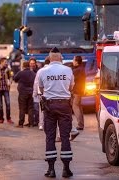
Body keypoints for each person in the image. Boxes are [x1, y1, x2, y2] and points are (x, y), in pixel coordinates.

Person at [38, 47, 74, 178]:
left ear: (49, 58)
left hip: (49, 106)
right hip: (65, 105)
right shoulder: (68, 70)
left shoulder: (42, 71)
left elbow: (41, 89)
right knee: (65, 136)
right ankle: (66, 169)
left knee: (50, 137)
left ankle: (51, 169)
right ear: (60, 57)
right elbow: (71, 87)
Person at [13, 61, 36, 128]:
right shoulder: (33, 73)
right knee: (30, 108)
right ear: (29, 66)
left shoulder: (21, 73)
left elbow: (15, 79)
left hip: (22, 92)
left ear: (23, 66)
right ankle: (31, 123)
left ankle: (21, 123)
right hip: (31, 92)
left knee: (22, 108)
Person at [33, 57, 50, 130]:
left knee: (42, 109)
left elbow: (36, 83)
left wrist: (35, 93)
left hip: (41, 93)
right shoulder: (52, 70)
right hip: (50, 93)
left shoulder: (40, 71)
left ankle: (41, 124)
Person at [0, 58, 13, 124]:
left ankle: (8, 118)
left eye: (6, 62)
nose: (6, 63)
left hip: (6, 89)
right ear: (1, 62)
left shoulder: (8, 69)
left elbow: (11, 76)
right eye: (5, 62)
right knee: (0, 105)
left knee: (8, 104)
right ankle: (1, 119)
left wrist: (10, 81)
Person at [71, 56, 85, 130]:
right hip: (80, 90)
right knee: (79, 106)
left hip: (76, 90)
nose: (72, 61)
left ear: (76, 62)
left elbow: (72, 80)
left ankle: (80, 124)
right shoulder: (81, 68)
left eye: (73, 60)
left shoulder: (76, 70)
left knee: (75, 106)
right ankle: (81, 123)